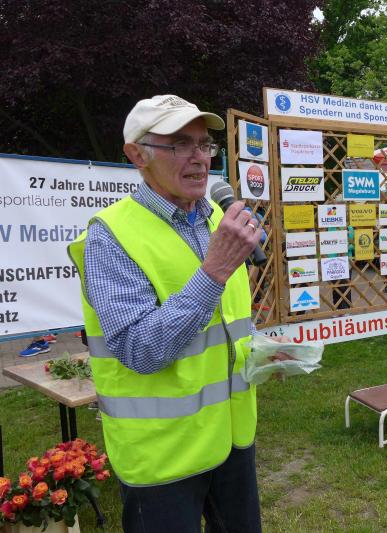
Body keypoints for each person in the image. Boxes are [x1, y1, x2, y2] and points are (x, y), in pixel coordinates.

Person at [68, 95, 294, 532]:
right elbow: (140, 350)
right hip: (162, 457)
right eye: (179, 144)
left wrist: (260, 351)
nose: (199, 157)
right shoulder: (109, 236)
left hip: (231, 440)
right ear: (137, 155)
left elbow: (222, 323)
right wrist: (213, 272)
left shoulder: (217, 218)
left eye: (204, 144)